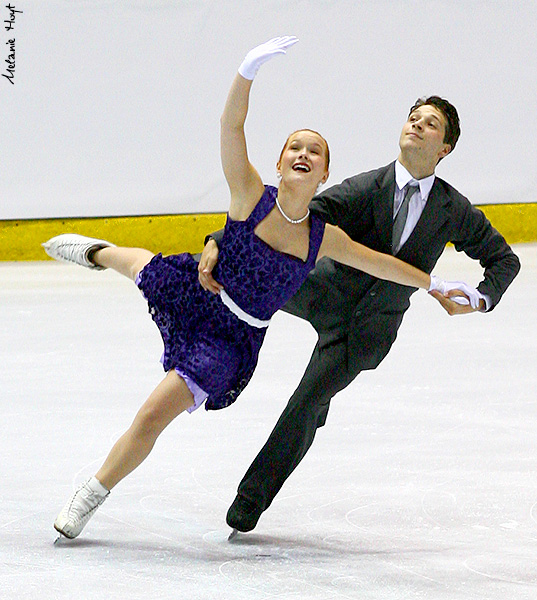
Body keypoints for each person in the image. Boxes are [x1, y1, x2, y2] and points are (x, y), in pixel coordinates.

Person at [44, 37, 480, 541]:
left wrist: (434, 283)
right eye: (295, 146)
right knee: (138, 264)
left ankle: (91, 494)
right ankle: (96, 253)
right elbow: (231, 126)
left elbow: (384, 265)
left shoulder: (324, 238)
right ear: (279, 161)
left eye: (314, 151)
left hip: (229, 341)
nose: (303, 153)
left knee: (151, 415)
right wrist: (246, 71)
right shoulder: (250, 194)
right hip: (200, 290)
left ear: (325, 173)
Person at [199, 88, 521, 536]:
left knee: (306, 402)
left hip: (366, 333)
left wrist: (481, 298)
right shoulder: (366, 187)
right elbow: (290, 218)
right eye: (413, 117)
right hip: (320, 293)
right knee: (243, 269)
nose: (417, 125)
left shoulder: (452, 209)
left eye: (430, 124)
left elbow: (505, 259)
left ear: (444, 148)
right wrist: (219, 239)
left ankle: (250, 500)